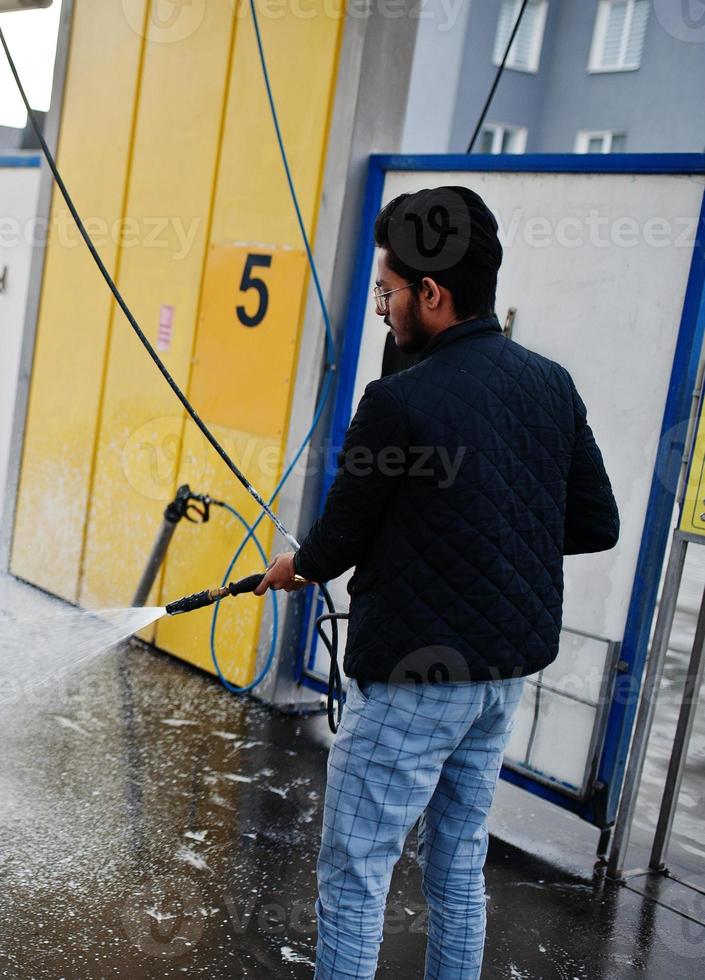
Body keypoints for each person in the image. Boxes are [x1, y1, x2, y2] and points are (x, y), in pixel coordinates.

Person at [256, 186, 620, 980]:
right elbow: (595, 523)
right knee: (456, 862)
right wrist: (492, 528)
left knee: (356, 872)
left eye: (388, 292)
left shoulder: (397, 401)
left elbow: (336, 540)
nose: (382, 309)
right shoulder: (549, 383)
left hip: (413, 681)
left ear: (431, 293)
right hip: (499, 676)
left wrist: (296, 567)